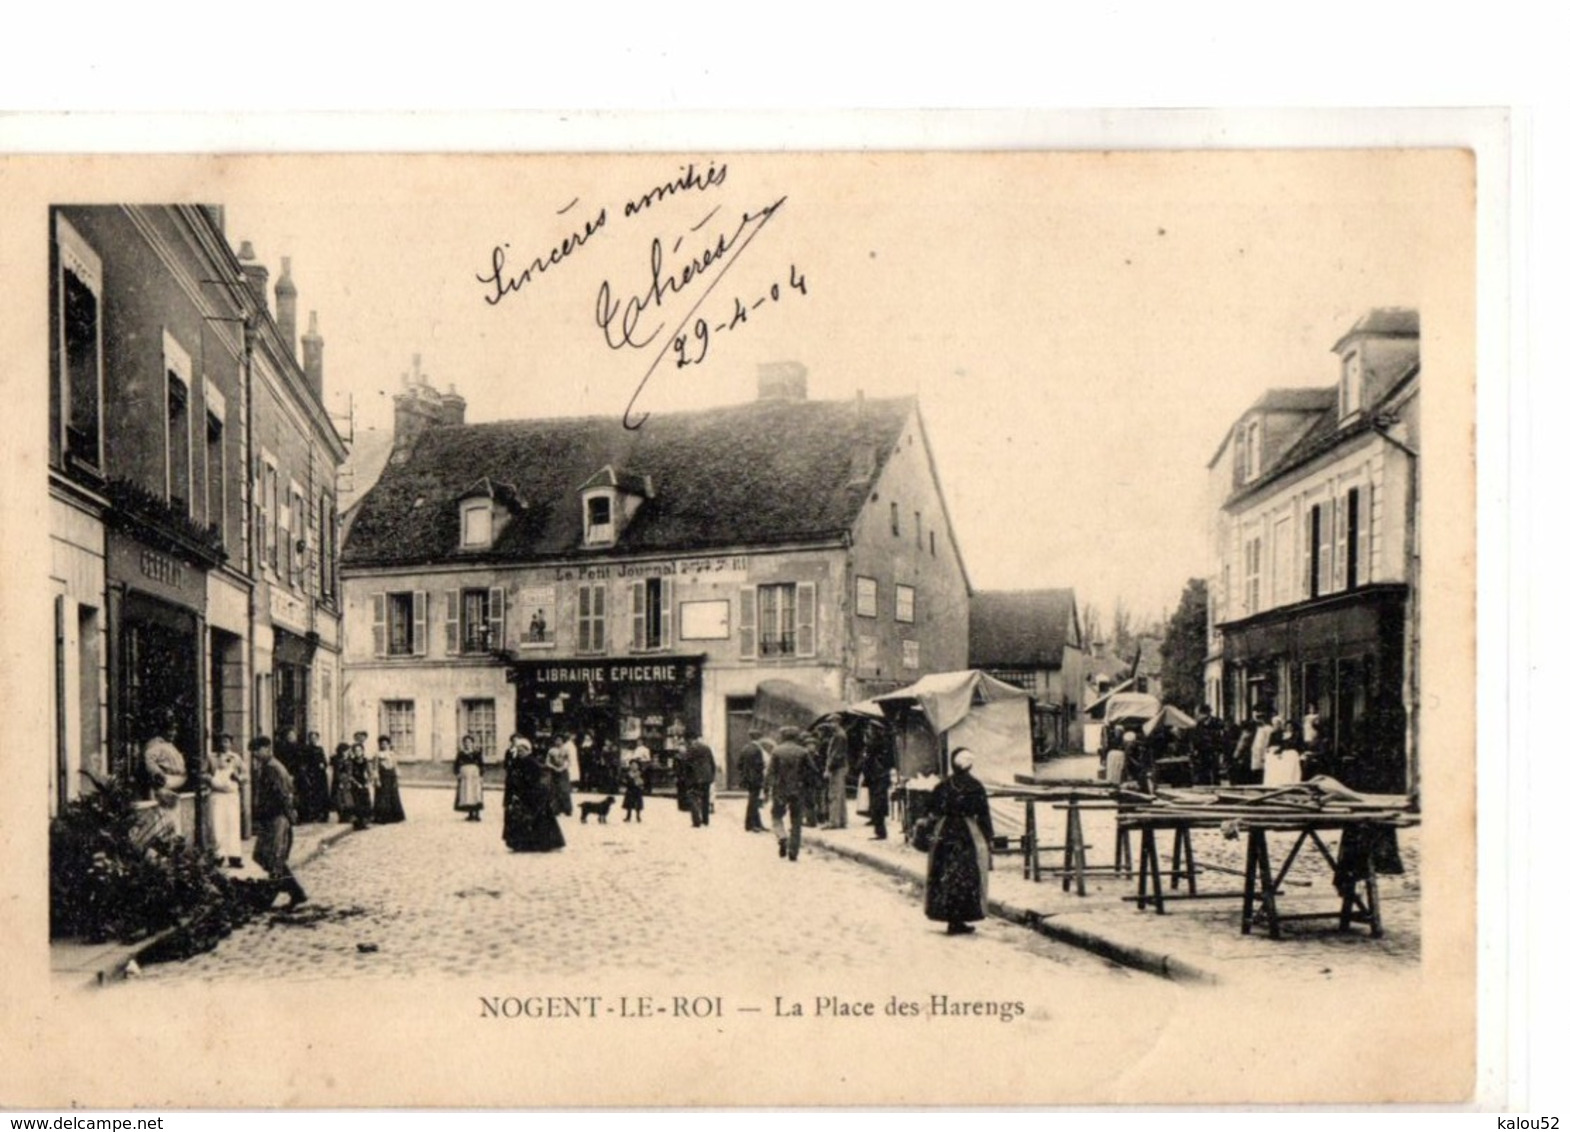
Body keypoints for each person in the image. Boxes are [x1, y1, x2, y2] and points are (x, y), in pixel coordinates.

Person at [923, 748, 995, 935]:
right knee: (966, 874)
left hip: (944, 831)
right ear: (969, 765)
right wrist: (988, 838)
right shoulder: (976, 786)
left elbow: (931, 808)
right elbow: (984, 814)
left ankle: (949, 917)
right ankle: (960, 918)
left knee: (944, 872)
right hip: (968, 832)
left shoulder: (943, 785)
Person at [250, 736, 308, 909]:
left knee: (272, 857)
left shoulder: (273, 768)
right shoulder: (268, 767)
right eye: (253, 751)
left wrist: (289, 816)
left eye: (257, 750)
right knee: (263, 856)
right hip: (270, 817)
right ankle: (295, 892)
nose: (254, 754)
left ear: (267, 748)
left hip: (277, 818)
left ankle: (274, 897)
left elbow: (283, 794)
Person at [502, 735, 565, 853]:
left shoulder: (532, 763)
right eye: (518, 750)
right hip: (520, 795)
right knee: (520, 818)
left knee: (536, 819)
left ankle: (539, 843)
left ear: (528, 750)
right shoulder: (516, 762)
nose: (520, 752)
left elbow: (536, 781)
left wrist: (526, 790)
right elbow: (511, 777)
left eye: (523, 750)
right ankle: (521, 843)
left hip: (532, 796)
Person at [202, 733, 247, 867]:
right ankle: (218, 856)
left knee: (233, 825)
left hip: (232, 795)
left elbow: (246, 774)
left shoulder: (236, 758)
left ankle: (235, 856)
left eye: (227, 742)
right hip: (217, 795)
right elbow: (202, 773)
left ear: (231, 744)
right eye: (221, 742)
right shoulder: (211, 758)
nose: (224, 744)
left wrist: (238, 777)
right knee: (217, 825)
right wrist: (212, 780)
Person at [766, 727, 810, 861]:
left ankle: (782, 836)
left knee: (776, 816)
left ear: (783, 736)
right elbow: (812, 771)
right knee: (796, 821)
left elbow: (770, 773)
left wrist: (766, 789)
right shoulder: (803, 751)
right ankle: (793, 851)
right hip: (798, 790)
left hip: (780, 790)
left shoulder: (777, 751)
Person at [141, 714, 189, 838]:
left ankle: (172, 840)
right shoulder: (156, 744)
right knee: (165, 816)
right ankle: (166, 841)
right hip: (166, 781)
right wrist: (158, 774)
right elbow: (149, 759)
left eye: (174, 731)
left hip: (175, 782)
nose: (173, 733)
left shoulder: (169, 745)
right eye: (170, 730)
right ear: (163, 731)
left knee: (173, 815)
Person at [859, 725, 894, 840]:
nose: (869, 731)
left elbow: (870, 758)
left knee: (878, 804)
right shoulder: (879, 743)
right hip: (876, 777)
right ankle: (879, 830)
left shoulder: (877, 744)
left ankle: (881, 832)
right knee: (876, 804)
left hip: (878, 777)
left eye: (870, 730)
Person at [681, 734, 717, 827]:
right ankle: (705, 820)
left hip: (695, 778)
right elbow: (712, 763)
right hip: (707, 777)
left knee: (692, 797)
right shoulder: (707, 748)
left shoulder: (690, 749)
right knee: (705, 798)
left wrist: (686, 778)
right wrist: (712, 776)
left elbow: (686, 765)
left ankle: (696, 820)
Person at [820, 716, 850, 829]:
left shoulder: (838, 736)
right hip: (840, 767)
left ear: (837, 722)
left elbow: (835, 755)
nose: (830, 725)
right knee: (840, 794)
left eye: (832, 722)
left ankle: (833, 822)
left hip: (836, 768)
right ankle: (842, 820)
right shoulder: (840, 734)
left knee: (834, 794)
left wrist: (828, 768)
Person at [737, 729, 769, 833]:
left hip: (748, 779)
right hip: (756, 779)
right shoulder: (757, 750)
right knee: (753, 802)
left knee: (753, 801)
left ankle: (758, 823)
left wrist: (744, 774)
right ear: (759, 738)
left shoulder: (745, 748)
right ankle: (750, 825)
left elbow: (739, 765)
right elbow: (760, 765)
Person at [297, 730, 331, 823]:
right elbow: (304, 762)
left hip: (320, 775)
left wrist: (323, 764)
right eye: (312, 738)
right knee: (312, 795)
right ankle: (312, 815)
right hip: (312, 774)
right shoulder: (306, 749)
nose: (314, 740)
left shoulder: (320, 749)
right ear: (309, 739)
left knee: (322, 795)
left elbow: (324, 760)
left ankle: (322, 814)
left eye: (315, 738)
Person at [373, 735, 406, 823]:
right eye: (382, 744)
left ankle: (394, 817)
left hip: (391, 776)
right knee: (383, 797)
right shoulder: (377, 755)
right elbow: (375, 767)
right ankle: (383, 817)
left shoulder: (392, 754)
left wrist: (397, 777)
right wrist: (377, 779)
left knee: (393, 796)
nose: (384, 745)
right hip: (383, 777)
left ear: (388, 744)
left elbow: (395, 766)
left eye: (385, 743)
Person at [454, 733, 486, 821]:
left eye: (469, 742)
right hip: (465, 776)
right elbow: (456, 764)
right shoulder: (461, 753)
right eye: (466, 742)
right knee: (467, 794)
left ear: (472, 743)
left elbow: (481, 764)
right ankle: (470, 814)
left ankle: (477, 814)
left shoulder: (476, 753)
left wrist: (481, 775)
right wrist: (457, 773)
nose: (467, 744)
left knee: (476, 793)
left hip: (474, 775)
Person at [1262, 720, 1304, 787]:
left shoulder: (1296, 735)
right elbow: (1280, 744)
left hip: (1291, 752)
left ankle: (1288, 781)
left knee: (1290, 756)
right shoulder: (1281, 734)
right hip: (1283, 751)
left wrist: (1281, 749)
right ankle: (1275, 781)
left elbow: (1294, 745)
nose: (1288, 728)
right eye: (1287, 726)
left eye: (1290, 726)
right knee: (1272, 757)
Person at [346, 739, 375, 829]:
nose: (358, 752)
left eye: (360, 750)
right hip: (355, 784)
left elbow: (370, 773)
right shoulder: (351, 762)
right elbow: (349, 775)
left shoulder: (366, 761)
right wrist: (356, 784)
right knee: (356, 803)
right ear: (353, 752)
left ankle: (364, 822)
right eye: (356, 751)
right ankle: (357, 822)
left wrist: (367, 783)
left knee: (365, 802)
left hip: (363, 782)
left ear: (362, 751)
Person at [545, 734, 574, 817]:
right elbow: (547, 761)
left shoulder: (566, 750)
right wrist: (553, 767)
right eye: (556, 740)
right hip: (554, 772)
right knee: (554, 790)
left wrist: (562, 768)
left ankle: (567, 809)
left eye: (560, 740)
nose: (558, 742)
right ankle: (555, 809)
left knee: (564, 790)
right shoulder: (551, 750)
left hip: (563, 772)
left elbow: (569, 761)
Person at [621, 747, 646, 823]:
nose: (634, 766)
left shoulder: (640, 773)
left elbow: (644, 781)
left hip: (637, 790)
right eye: (632, 765)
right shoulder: (628, 773)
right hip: (630, 790)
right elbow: (624, 781)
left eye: (635, 765)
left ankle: (638, 816)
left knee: (638, 805)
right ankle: (628, 817)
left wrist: (641, 784)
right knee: (629, 805)